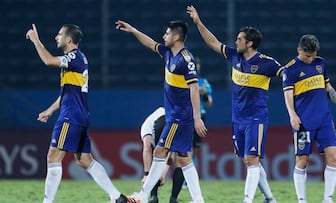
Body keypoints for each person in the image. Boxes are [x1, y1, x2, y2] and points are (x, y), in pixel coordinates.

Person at [26, 24, 135, 203]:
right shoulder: (78, 59)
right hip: (80, 115)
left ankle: (47, 202)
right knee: (84, 159)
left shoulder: (74, 57)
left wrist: (36, 40)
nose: (56, 37)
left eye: (60, 34)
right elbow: (70, 93)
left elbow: (48, 61)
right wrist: (50, 110)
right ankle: (117, 197)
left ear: (69, 39)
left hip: (71, 116)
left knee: (53, 156)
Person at [187, 5, 283, 203]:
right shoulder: (234, 56)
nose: (236, 41)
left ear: (250, 43)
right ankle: (270, 199)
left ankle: (247, 200)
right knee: (249, 160)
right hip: (237, 118)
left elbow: (286, 75)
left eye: (239, 39)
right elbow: (213, 42)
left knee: (251, 160)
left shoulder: (267, 63)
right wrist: (198, 22)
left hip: (256, 117)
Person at [115, 19, 207, 203]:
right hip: (176, 115)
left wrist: (197, 118)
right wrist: (133, 29)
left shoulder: (186, 59)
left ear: (177, 36)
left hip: (179, 117)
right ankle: (198, 200)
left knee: (159, 151)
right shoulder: (168, 53)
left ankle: (143, 195)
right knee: (184, 159)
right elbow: (150, 43)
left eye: (167, 33)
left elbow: (194, 88)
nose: (163, 36)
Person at [282, 34, 336, 203]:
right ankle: (302, 200)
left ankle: (328, 199)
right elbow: (288, 95)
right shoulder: (290, 69)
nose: (311, 59)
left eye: (313, 55)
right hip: (303, 122)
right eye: (308, 56)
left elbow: (328, 88)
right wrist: (292, 113)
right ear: (299, 50)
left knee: (333, 156)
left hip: (324, 120)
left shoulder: (320, 63)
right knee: (302, 160)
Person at [169, 57, 213, 202]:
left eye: (198, 65)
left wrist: (204, 94)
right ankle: (186, 181)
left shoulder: (204, 82)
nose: (197, 68)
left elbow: (209, 103)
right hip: (186, 118)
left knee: (194, 150)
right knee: (184, 151)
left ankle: (187, 181)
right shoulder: (184, 80)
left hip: (201, 118)